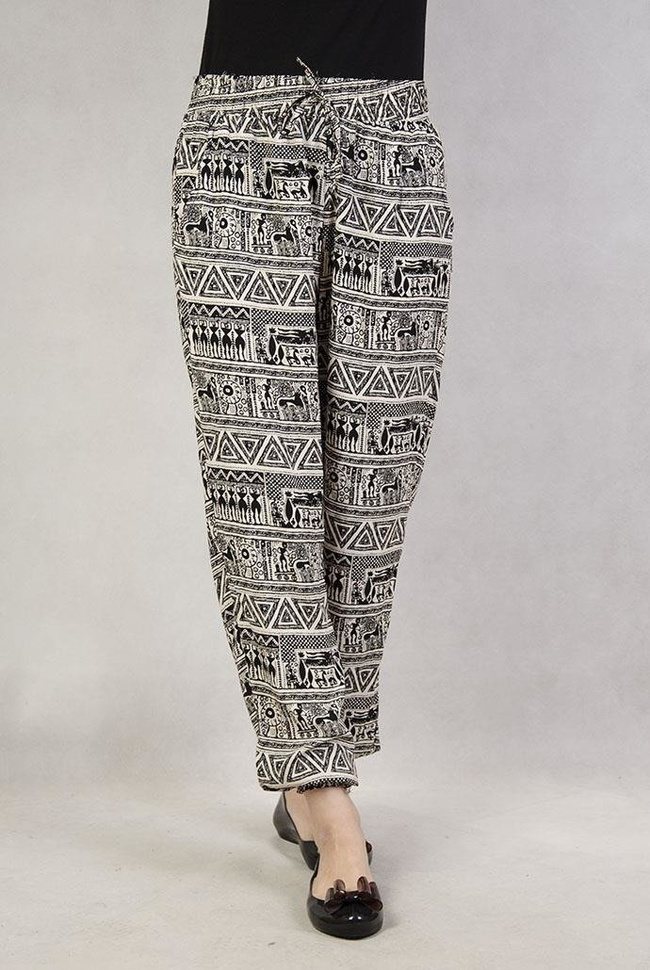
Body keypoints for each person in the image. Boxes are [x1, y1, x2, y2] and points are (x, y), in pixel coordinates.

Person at [170, 0, 454, 938]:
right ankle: (324, 792)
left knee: (377, 469)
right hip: (242, 129)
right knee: (262, 473)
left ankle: (312, 763)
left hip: (391, 133)